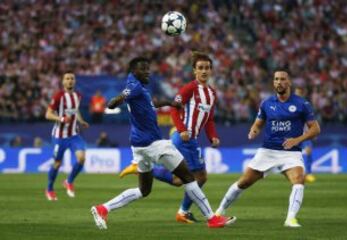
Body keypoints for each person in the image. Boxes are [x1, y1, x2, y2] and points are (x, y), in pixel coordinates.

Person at [90, 57, 235, 230]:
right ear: (134, 71)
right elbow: (120, 98)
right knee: (188, 177)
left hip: (139, 146)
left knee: (144, 190)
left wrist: (167, 103)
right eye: (144, 69)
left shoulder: (137, 86)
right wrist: (115, 102)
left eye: (148, 68)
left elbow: (149, 105)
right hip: (154, 144)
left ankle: (103, 209)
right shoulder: (134, 87)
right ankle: (211, 218)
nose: (148, 72)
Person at [119, 52, 220, 224]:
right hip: (183, 138)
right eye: (200, 68)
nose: (204, 71)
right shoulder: (189, 88)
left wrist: (212, 136)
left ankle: (143, 170)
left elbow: (208, 119)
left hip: (192, 138)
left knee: (179, 180)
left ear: (211, 70)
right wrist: (181, 130)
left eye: (207, 68)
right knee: (198, 177)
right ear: (194, 71)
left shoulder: (211, 93)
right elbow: (174, 109)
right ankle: (184, 211)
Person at [215, 70, 321, 228]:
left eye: (283, 79)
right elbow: (258, 123)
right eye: (276, 79)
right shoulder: (266, 103)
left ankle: (290, 219)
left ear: (289, 82)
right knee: (243, 182)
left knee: (299, 180)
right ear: (273, 82)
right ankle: (218, 213)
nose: (279, 82)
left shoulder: (302, 104)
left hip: (291, 152)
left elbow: (315, 129)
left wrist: (297, 140)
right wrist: (253, 130)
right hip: (268, 152)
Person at [45, 73, 90, 201]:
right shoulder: (58, 96)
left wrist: (81, 121)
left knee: (81, 158)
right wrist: (61, 118)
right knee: (57, 163)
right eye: (67, 79)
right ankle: (49, 189)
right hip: (60, 136)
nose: (70, 81)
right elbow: (48, 114)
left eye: (72, 79)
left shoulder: (78, 96)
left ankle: (69, 181)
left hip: (74, 135)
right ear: (63, 82)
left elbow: (75, 110)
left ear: (74, 81)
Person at [294, 87, 316, 183]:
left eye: (299, 93)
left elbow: (311, 119)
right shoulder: (289, 105)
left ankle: (309, 173)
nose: (298, 95)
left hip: (305, 134)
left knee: (308, 151)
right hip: (293, 134)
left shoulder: (306, 105)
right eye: (296, 93)